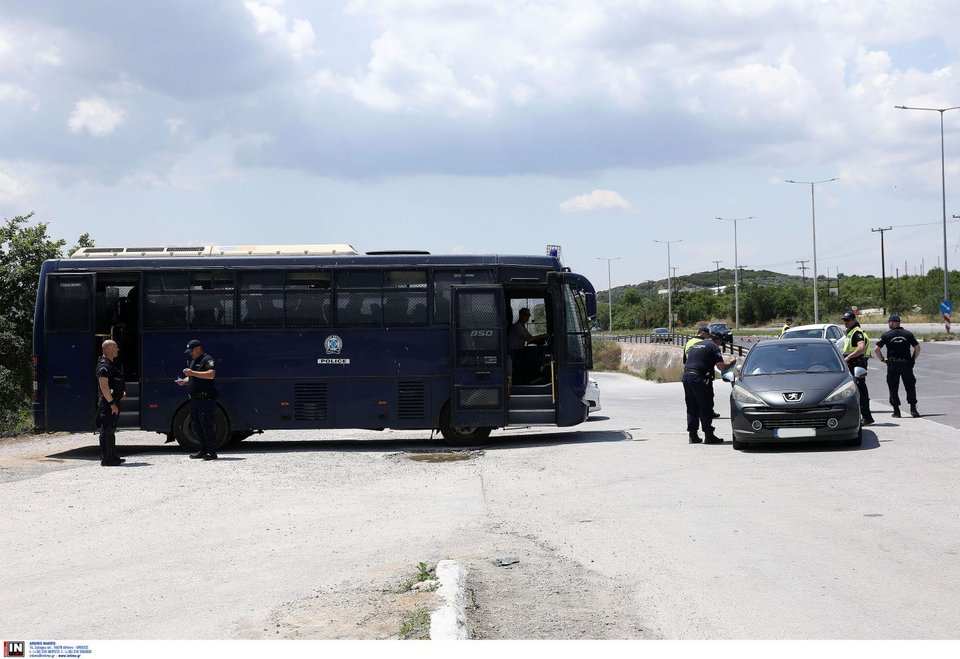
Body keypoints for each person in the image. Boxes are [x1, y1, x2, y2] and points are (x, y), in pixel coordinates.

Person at [682, 331, 736, 444]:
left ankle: (693, 435)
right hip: (699, 378)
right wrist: (731, 362)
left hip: (687, 377)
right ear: (719, 340)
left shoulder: (696, 345)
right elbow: (721, 367)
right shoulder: (713, 347)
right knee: (704, 406)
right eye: (721, 343)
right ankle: (709, 435)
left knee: (692, 406)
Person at [176, 339, 220, 460]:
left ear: (198, 348)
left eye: (191, 351)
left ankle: (212, 452)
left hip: (205, 399)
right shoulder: (194, 361)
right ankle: (203, 450)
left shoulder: (208, 360)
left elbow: (211, 374)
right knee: (196, 426)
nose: (190, 354)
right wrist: (184, 381)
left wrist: (191, 373)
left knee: (207, 425)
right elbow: (192, 378)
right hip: (194, 400)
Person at [873, 314, 921, 418]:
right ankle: (913, 409)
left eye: (889, 323)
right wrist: (912, 360)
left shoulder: (887, 335)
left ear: (892, 323)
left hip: (892, 364)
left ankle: (896, 411)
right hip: (906, 364)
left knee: (893, 387)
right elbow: (917, 348)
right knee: (910, 386)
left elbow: (876, 349)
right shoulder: (908, 334)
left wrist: (883, 359)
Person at [95, 339, 125, 466]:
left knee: (111, 429)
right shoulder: (103, 366)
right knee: (107, 429)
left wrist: (120, 393)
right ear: (107, 349)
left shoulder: (110, 365)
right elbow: (104, 387)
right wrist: (112, 403)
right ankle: (107, 458)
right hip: (108, 404)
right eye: (115, 347)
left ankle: (112, 455)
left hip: (113, 401)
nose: (117, 349)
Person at [840, 310, 873, 425]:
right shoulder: (850, 332)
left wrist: (848, 357)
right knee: (855, 390)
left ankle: (867, 417)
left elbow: (861, 348)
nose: (845, 322)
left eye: (848, 320)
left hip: (857, 364)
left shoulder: (857, 332)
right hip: (853, 364)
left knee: (860, 391)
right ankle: (863, 416)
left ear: (854, 320)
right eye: (844, 320)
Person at [684, 326, 720, 418]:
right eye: (708, 335)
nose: (708, 338)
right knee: (706, 396)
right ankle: (708, 415)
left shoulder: (689, 342)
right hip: (702, 373)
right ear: (703, 333)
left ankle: (694, 424)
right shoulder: (703, 343)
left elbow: (684, 360)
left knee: (691, 400)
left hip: (688, 372)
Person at [508, 307, 547, 384]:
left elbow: (531, 338)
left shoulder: (522, 326)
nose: (528, 317)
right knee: (534, 354)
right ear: (520, 315)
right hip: (514, 352)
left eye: (529, 315)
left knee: (534, 350)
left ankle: (533, 375)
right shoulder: (517, 326)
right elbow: (529, 339)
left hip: (519, 351)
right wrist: (543, 335)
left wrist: (541, 337)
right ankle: (531, 377)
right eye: (526, 315)